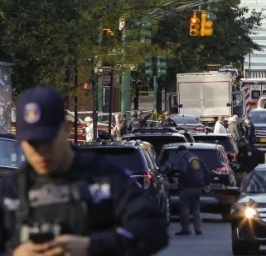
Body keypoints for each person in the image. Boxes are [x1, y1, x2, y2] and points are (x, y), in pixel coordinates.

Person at [0, 86, 169, 255]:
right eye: (32, 144)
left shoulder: (103, 177)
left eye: (48, 141)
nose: (41, 151)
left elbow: (154, 228)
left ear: (66, 129)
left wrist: (92, 246)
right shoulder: (10, 190)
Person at [171, 145, 211, 236]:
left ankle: (186, 229)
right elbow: (206, 170)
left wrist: (180, 182)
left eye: (178, 153)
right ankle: (198, 229)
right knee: (196, 209)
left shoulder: (183, 159)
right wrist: (206, 183)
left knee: (185, 208)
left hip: (187, 187)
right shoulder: (196, 157)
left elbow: (183, 172)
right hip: (198, 187)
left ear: (181, 152)